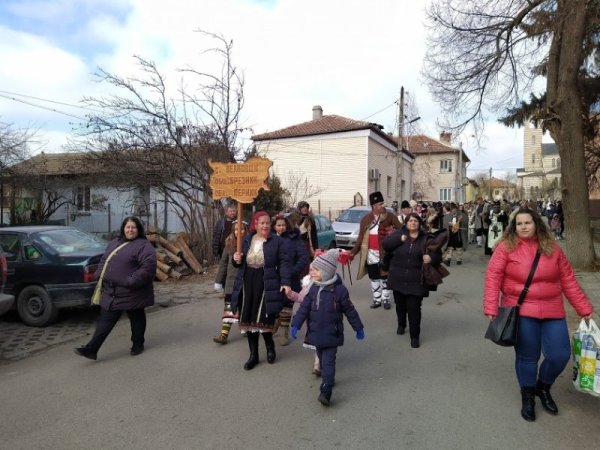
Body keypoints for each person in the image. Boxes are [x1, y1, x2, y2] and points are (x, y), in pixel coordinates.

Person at [483, 207, 593, 422]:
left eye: (528, 222)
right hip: (522, 310)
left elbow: (568, 280)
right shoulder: (505, 248)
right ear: (514, 227)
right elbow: (493, 277)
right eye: (519, 223)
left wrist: (584, 308)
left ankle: (543, 387)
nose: (523, 227)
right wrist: (491, 306)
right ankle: (528, 395)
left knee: (559, 355)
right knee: (527, 357)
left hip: (552, 310)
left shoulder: (553, 248)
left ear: (537, 224)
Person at [74, 216, 157, 360]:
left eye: (133, 227)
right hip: (111, 291)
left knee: (136, 318)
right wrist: (99, 273)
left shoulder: (144, 246)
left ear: (138, 229)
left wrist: (132, 281)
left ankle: (138, 345)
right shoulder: (114, 243)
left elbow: (148, 267)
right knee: (105, 321)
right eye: (128, 227)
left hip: (132, 292)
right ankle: (91, 349)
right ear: (123, 228)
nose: (130, 230)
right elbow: (104, 260)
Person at [289, 249, 365, 406]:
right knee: (322, 362)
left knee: (329, 362)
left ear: (326, 272)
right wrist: (295, 324)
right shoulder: (313, 288)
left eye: (316, 270)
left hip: (332, 335)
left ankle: (326, 389)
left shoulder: (339, 291)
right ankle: (327, 377)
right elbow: (303, 308)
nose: (312, 273)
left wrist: (358, 327)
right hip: (315, 334)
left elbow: (350, 310)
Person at [231, 211, 291, 370]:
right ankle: (254, 355)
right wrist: (236, 259)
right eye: (261, 223)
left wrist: (285, 282)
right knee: (249, 319)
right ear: (255, 224)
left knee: (263, 318)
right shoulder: (247, 239)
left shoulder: (276, 242)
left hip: (266, 282)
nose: (265, 225)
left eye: (267, 223)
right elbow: (239, 262)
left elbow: (284, 263)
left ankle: (270, 347)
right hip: (247, 282)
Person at [383, 213, 446, 348]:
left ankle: (414, 336)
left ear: (419, 223)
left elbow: (437, 254)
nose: (413, 223)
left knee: (414, 309)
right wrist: (399, 239)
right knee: (400, 306)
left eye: (415, 221)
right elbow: (386, 245)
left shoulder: (426, 238)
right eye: (410, 221)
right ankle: (401, 324)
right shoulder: (399, 234)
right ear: (406, 223)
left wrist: (431, 258)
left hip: (416, 281)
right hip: (398, 278)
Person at [350, 191, 401, 309]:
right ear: (374, 206)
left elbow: (401, 230)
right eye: (380, 204)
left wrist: (393, 233)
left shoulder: (390, 217)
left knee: (385, 276)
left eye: (383, 203)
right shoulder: (366, 219)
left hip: (385, 253)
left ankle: (386, 299)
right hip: (371, 254)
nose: (383, 206)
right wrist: (352, 252)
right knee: (374, 277)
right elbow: (360, 238)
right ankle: (377, 299)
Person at [272, 214, 309, 345]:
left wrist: (292, 271)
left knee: (287, 304)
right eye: (278, 225)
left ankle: (284, 331)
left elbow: (304, 258)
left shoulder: (294, 238)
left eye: (283, 225)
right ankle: (276, 322)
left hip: (291, 278)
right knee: (275, 303)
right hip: (273, 278)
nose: (281, 228)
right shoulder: (269, 239)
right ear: (274, 226)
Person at [212, 220, 247, 345]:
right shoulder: (228, 245)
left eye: (242, 229)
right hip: (231, 283)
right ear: (233, 231)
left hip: (244, 284)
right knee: (229, 307)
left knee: (243, 306)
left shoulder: (249, 245)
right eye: (237, 229)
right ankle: (224, 334)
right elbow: (223, 265)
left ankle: (245, 327)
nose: (239, 232)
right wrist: (219, 281)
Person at [212, 203, 237, 292]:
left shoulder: (238, 221)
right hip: (223, 249)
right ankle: (223, 286)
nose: (232, 213)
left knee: (232, 269)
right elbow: (216, 236)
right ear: (227, 212)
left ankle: (231, 288)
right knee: (223, 267)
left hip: (234, 249)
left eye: (234, 211)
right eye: (231, 211)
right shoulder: (221, 222)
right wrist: (215, 248)